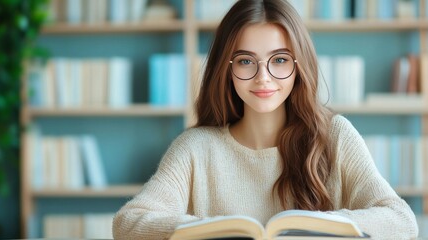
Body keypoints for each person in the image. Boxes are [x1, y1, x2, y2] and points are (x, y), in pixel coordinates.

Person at [112, 0, 418, 239]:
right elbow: (129, 223)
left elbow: (401, 220)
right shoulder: (196, 147)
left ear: (299, 66)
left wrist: (326, 229)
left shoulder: (335, 136)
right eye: (246, 61)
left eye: (280, 60)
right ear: (226, 68)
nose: (263, 78)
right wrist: (213, 231)